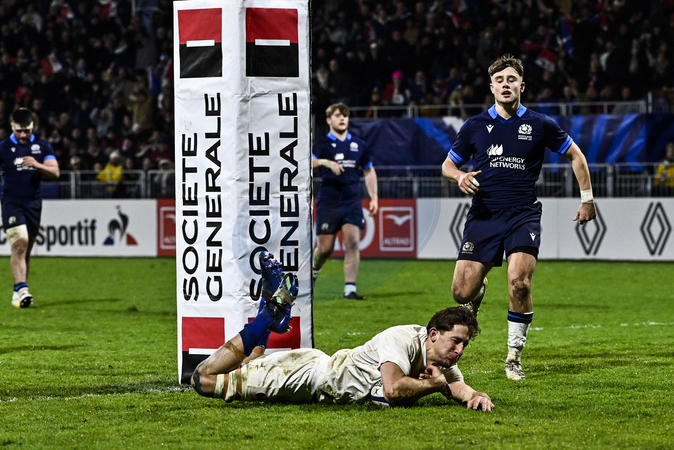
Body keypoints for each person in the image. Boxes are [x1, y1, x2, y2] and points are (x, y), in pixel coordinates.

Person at [441, 55, 597, 381]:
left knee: (520, 284)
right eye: (499, 80)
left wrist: (587, 200)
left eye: (511, 80)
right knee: (461, 293)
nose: (505, 85)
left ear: (521, 86)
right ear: (491, 87)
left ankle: (513, 357)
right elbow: (448, 165)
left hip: (523, 214)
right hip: (484, 215)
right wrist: (459, 176)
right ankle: (478, 291)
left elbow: (576, 155)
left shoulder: (540, 124)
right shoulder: (474, 126)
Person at [191, 252, 494, 411]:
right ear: (433, 334)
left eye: (464, 345)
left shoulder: (441, 361)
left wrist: (476, 395)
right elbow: (393, 390)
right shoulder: (401, 339)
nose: (459, 351)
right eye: (456, 341)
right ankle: (267, 317)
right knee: (203, 380)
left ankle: (269, 314)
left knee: (247, 366)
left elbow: (456, 386)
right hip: (305, 377)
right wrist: (434, 386)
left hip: (316, 374)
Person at [311, 103, 378, 300]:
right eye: (338, 115)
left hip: (351, 200)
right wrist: (325, 162)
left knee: (353, 242)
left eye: (345, 116)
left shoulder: (359, 144)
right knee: (324, 249)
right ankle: (314, 270)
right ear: (329, 120)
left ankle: (350, 289)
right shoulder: (322, 144)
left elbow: (369, 171)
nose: (342, 118)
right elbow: (308, 161)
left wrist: (374, 197)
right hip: (329, 201)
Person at [0, 108, 60, 308]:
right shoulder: (3, 148)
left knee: (26, 249)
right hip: (11, 202)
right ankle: (22, 288)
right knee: (20, 243)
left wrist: (37, 165)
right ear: (12, 127)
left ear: (32, 127)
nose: (23, 135)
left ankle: (18, 292)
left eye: (26, 130)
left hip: (33, 204)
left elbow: (55, 172)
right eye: (19, 131)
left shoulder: (42, 146)